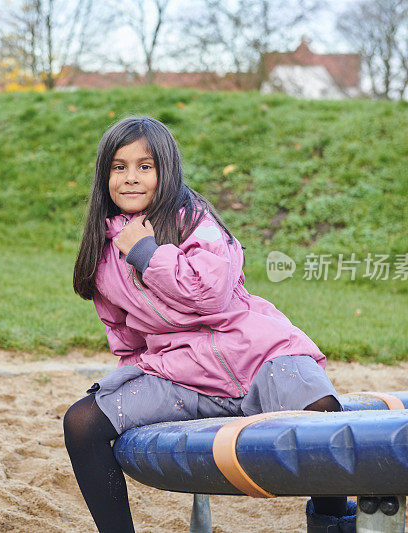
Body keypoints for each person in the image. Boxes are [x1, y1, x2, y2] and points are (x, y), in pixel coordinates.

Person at [64, 116, 357, 533]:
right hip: (181, 377)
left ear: (165, 172)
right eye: (118, 166)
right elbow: (125, 340)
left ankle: (331, 524)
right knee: (81, 422)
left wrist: (147, 253)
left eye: (145, 167)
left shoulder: (194, 220)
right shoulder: (103, 255)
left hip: (258, 357)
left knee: (322, 408)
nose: (131, 178)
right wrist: (135, 382)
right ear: (103, 175)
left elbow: (210, 294)